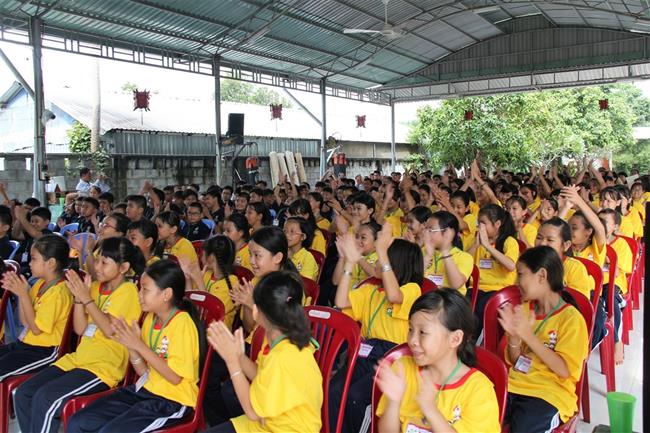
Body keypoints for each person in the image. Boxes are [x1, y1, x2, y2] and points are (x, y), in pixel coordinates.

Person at [14, 237, 144, 433]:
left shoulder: (128, 291)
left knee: (46, 398)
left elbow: (109, 330)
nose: (97, 267)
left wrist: (87, 299)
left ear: (123, 267)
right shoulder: (95, 287)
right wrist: (78, 299)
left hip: (103, 367)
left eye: (104, 262)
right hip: (79, 359)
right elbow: (80, 329)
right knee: (25, 392)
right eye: (97, 260)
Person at [66, 260, 202, 433]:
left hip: (172, 401)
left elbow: (175, 378)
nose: (139, 294)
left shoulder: (182, 323)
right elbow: (144, 372)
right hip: (145, 390)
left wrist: (139, 345)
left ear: (166, 294)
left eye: (145, 289)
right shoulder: (150, 319)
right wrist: (130, 345)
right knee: (79, 421)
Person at [204, 271, 323, 433]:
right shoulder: (279, 336)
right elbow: (261, 375)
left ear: (255, 311)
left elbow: (253, 412)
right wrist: (239, 356)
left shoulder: (283, 356)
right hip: (268, 423)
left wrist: (232, 361)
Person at [332, 224, 423, 433]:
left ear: (396, 263)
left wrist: (381, 251)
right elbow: (341, 300)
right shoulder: (371, 290)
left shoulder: (412, 290)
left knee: (356, 397)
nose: (378, 263)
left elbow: (394, 296)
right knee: (335, 390)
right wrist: (349, 262)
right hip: (365, 353)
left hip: (392, 359)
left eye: (384, 258)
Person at [376, 290, 501, 433]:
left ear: (455, 339)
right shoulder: (402, 369)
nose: (412, 340)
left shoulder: (478, 389)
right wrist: (393, 402)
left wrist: (430, 410)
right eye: (410, 329)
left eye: (423, 332)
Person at [500, 246, 589, 433]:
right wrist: (514, 338)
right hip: (514, 385)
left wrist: (529, 336)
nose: (516, 282)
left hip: (549, 395)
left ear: (541, 275)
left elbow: (564, 370)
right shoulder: (525, 310)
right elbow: (517, 362)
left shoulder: (571, 319)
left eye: (520, 274)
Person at [0, 235, 72, 381]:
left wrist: (24, 295)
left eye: (34, 259)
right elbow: (25, 322)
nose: (30, 263)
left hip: (45, 351)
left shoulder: (59, 293)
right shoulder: (40, 283)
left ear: (51, 263)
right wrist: (23, 294)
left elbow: (36, 329)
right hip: (26, 344)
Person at [468, 204, 518, 334]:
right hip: (476, 288)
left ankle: (477, 341)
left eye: (483, 223)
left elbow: (511, 266)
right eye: (478, 222)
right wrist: (476, 245)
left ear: (497, 224)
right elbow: (465, 263)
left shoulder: (509, 241)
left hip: (498, 290)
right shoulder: (477, 241)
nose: (479, 226)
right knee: (461, 306)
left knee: (481, 309)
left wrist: (488, 246)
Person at [598, 208, 633, 364]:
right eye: (598, 221)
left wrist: (605, 251)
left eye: (605, 222)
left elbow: (617, 272)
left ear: (615, 227)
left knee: (610, 298)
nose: (600, 225)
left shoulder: (621, 244)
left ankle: (617, 341)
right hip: (595, 284)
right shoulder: (592, 243)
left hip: (613, 284)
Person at [423, 211, 473, 295]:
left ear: (447, 233)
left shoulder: (464, 257)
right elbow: (414, 283)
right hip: (427, 299)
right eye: (425, 229)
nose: (425, 233)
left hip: (450, 300)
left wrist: (445, 251)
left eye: (431, 230)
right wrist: (427, 256)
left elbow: (456, 284)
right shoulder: (423, 251)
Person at [332, 220, 380, 290]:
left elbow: (376, 276)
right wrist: (341, 257)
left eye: (363, 237)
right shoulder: (351, 255)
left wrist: (357, 257)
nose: (357, 241)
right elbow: (336, 281)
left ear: (376, 242)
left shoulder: (380, 258)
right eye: (357, 237)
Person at [284, 216, 319, 282]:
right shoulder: (281, 252)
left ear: (303, 237)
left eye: (292, 232)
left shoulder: (308, 258)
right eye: (284, 231)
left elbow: (304, 284)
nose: (287, 235)